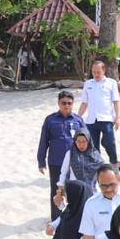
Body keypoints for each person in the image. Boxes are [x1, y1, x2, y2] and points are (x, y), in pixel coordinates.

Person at [37, 89, 87, 219]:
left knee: (75, 189)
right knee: (57, 190)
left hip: (75, 161)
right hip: (56, 161)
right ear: (58, 103)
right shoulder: (50, 120)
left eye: (69, 103)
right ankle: (56, 219)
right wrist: (41, 161)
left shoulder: (78, 120)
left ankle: (74, 216)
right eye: (64, 103)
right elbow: (43, 141)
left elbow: (87, 141)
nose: (66, 106)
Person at [78, 59, 120, 169]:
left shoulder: (111, 83)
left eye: (98, 72)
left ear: (104, 71)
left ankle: (114, 162)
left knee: (109, 142)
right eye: (93, 72)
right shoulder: (88, 84)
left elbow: (116, 101)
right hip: (91, 120)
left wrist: (117, 118)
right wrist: (78, 117)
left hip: (106, 118)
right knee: (93, 146)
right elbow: (84, 103)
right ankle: (98, 166)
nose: (96, 74)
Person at [56, 126, 105, 192]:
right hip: (74, 189)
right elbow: (63, 172)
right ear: (75, 141)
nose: (81, 144)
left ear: (88, 141)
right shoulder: (70, 154)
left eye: (84, 141)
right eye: (78, 141)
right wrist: (60, 189)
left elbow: (102, 173)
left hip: (92, 190)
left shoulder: (95, 155)